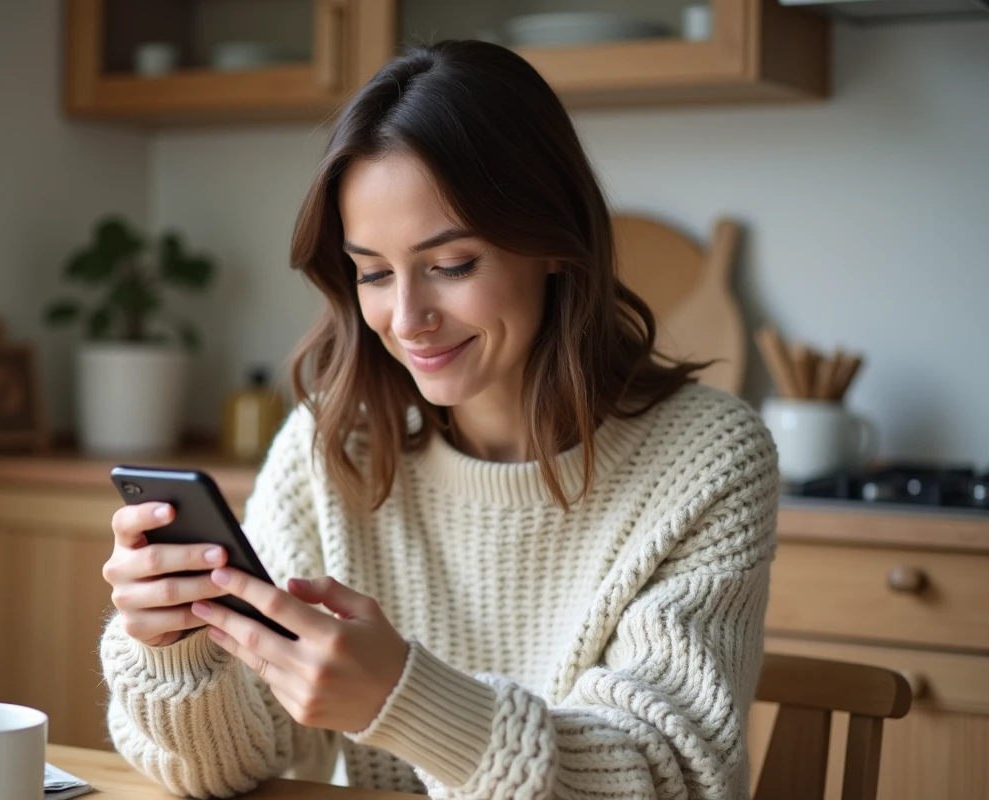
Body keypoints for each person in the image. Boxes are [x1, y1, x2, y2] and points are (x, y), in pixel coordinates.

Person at [99, 39, 778, 800]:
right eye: (374, 273)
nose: (409, 318)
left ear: (552, 244)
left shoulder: (706, 458)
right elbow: (224, 768)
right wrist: (176, 646)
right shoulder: (335, 444)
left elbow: (668, 776)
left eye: (452, 264)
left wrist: (407, 702)